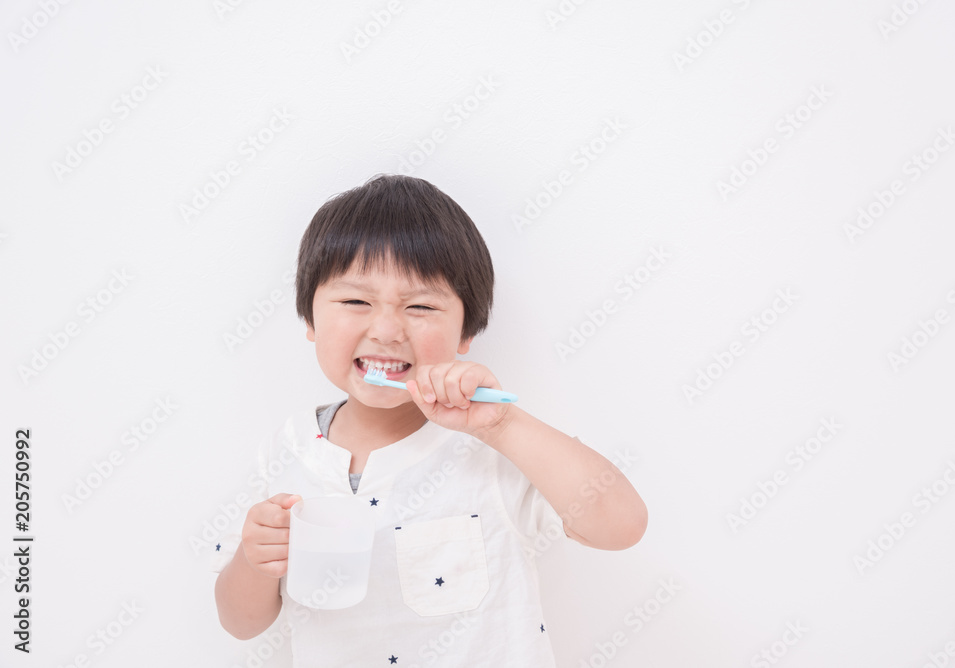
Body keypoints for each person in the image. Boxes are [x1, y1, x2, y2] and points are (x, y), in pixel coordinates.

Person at [212, 173, 647, 666]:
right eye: (356, 301)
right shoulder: (284, 451)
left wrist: (503, 426)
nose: (386, 330)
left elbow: (622, 526)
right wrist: (255, 561)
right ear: (310, 319)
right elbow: (240, 623)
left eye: (420, 306)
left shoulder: (492, 449)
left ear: (466, 332)